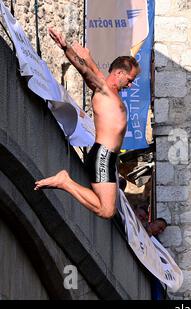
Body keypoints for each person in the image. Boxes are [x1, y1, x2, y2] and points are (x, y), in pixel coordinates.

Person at [34, 28, 140, 219]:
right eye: (130, 80)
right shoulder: (103, 90)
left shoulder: (110, 90)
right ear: (119, 73)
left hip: (108, 157)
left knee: (108, 210)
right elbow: (85, 71)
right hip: (102, 155)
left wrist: (89, 57)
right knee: (106, 211)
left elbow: (96, 72)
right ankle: (64, 181)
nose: (131, 85)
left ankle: (65, 182)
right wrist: (67, 49)